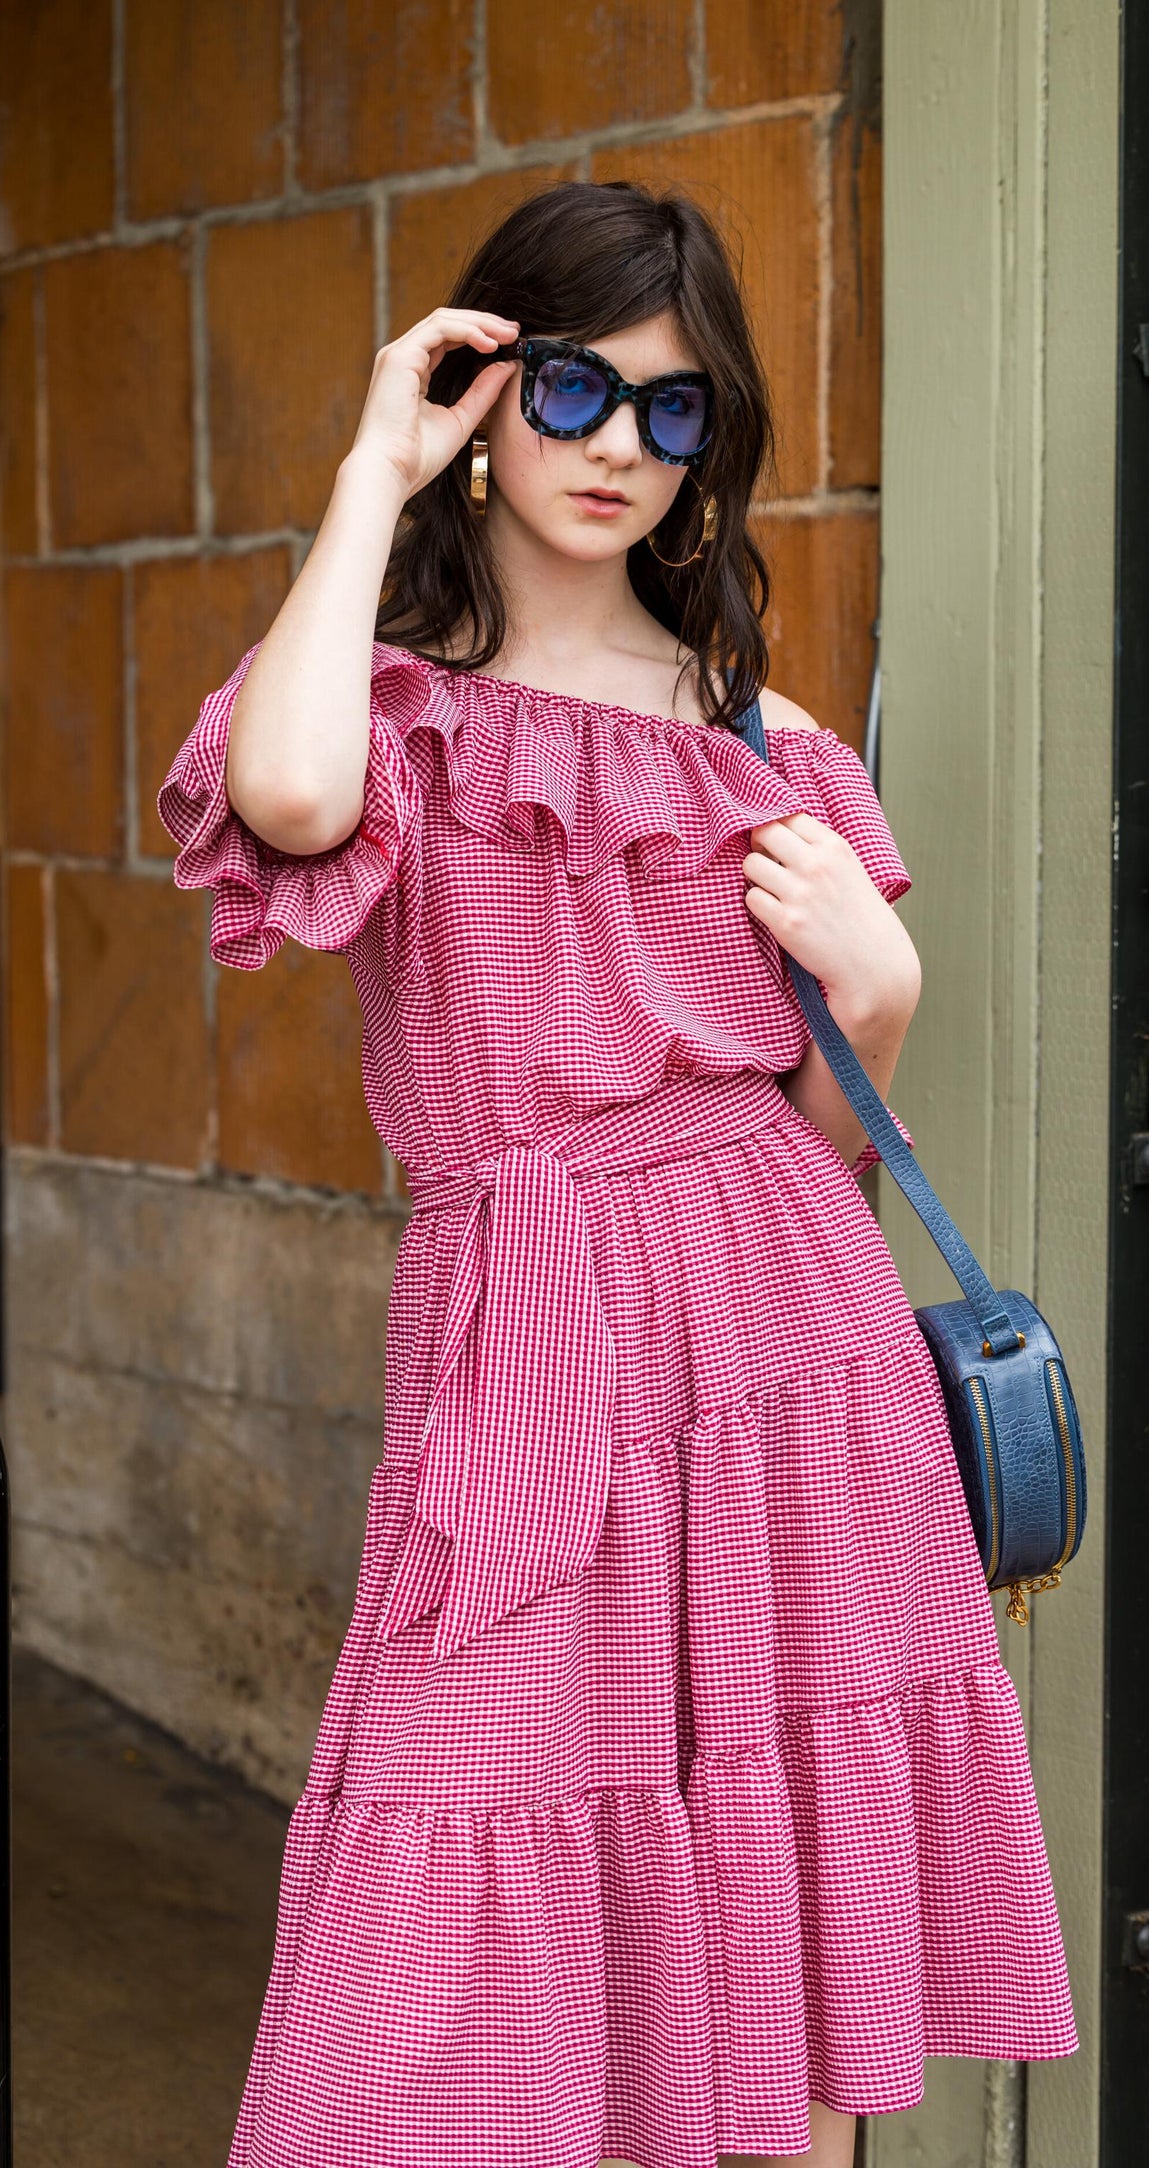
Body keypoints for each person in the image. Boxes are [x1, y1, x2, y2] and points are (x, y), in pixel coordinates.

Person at [156, 178, 1077, 2168]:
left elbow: (819, 1150)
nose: (617, 452)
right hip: (526, 1354)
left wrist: (886, 987)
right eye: (576, 390)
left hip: (784, 1364)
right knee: (445, 1891)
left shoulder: (767, 737)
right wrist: (367, 468)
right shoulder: (389, 699)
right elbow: (294, 796)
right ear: (487, 385)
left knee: (766, 1940)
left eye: (675, 417)